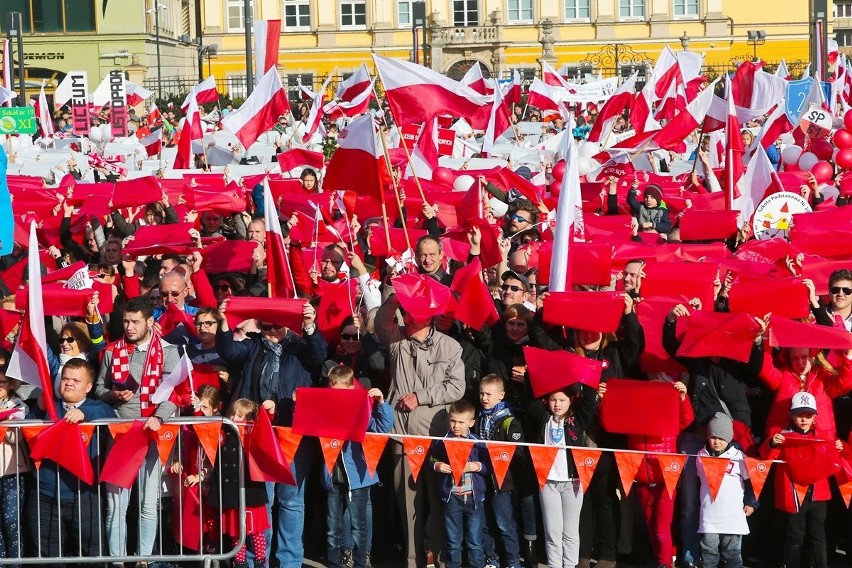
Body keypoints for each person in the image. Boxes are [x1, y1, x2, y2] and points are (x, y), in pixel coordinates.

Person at [215, 299, 326, 568]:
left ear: (286, 325)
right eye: (265, 328)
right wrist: (223, 321)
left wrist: (310, 325)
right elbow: (228, 351)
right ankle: (256, 560)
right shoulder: (253, 346)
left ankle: (289, 561)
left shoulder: (299, 347)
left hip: (292, 432)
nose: (271, 332)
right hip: (258, 434)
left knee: (291, 501)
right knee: (260, 500)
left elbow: (319, 354)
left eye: (276, 327)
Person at [375, 293, 466, 567]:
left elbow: (457, 387)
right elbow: (380, 323)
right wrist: (392, 299)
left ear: (430, 314)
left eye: (418, 310)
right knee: (408, 505)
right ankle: (413, 560)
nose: (411, 315)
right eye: (407, 310)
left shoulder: (450, 347)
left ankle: (439, 560)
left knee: (439, 505)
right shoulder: (397, 341)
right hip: (402, 435)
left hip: (435, 437)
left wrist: (421, 395)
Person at [94, 296, 180, 558]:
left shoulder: (168, 351)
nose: (129, 327)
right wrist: (112, 396)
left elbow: (173, 394)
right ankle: (118, 560)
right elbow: (98, 389)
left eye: (135, 322)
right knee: (116, 505)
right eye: (126, 321)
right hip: (120, 435)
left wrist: (160, 418)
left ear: (150, 322)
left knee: (147, 504)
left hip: (151, 434)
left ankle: (144, 560)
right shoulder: (111, 351)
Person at [28, 359, 116, 559]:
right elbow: (29, 436)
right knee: (47, 557)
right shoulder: (48, 406)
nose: (68, 383)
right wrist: (37, 410)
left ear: (89, 386)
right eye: (65, 378)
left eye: (76, 380)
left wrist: (83, 413)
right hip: (45, 497)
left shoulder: (96, 407)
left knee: (92, 557)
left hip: (85, 497)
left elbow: (109, 414)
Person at [323, 365, 393, 568]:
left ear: (351, 390)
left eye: (342, 393)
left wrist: (381, 404)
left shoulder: (363, 408)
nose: (337, 397)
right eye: (333, 392)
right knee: (332, 527)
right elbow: (305, 426)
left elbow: (382, 427)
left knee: (359, 526)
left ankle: (361, 562)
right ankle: (335, 563)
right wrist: (298, 406)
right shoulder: (325, 408)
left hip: (358, 476)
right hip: (332, 476)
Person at [761, 393, 841, 568]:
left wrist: (838, 448)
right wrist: (772, 443)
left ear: (815, 416)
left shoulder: (824, 437)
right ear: (791, 415)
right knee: (794, 536)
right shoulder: (784, 436)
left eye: (808, 415)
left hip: (818, 495)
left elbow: (836, 461)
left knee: (818, 537)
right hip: (795, 496)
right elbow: (766, 456)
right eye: (799, 415)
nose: (804, 419)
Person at [538, 382, 599, 568]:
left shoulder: (577, 419)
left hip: (573, 481)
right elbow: (530, 401)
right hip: (548, 482)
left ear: (571, 401)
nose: (557, 404)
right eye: (553, 400)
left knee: (570, 531)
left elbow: (589, 402)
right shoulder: (542, 418)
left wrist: (589, 377)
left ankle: (571, 565)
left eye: (562, 400)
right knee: (552, 530)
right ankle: (555, 565)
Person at [213, 398, 274, 568]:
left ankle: (260, 562)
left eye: (239, 416)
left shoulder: (255, 432)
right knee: (237, 533)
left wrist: (270, 410)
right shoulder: (225, 432)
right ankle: (240, 563)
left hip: (252, 490)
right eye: (233, 414)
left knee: (257, 532)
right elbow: (207, 427)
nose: (233, 418)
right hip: (232, 491)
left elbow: (267, 425)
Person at [430, 399, 489, 568]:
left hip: (474, 499)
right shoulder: (441, 441)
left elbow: (491, 465)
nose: (456, 426)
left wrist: (477, 466)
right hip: (452, 498)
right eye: (453, 421)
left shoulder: (477, 442)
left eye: (461, 422)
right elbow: (430, 458)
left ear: (471, 422)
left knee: (475, 542)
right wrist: (437, 465)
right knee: (453, 542)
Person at [695, 413, 757, 568]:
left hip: (732, 516)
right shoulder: (700, 455)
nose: (717, 442)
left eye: (721, 438)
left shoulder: (739, 456)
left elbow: (751, 482)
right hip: (709, 516)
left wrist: (751, 503)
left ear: (729, 438)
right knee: (709, 552)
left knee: (732, 554)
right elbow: (699, 480)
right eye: (713, 437)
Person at [477, 374, 525, 568]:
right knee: (485, 521)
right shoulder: (478, 418)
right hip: (481, 478)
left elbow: (518, 453)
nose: (484, 398)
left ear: (501, 395)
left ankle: (513, 561)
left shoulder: (509, 420)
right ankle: (492, 558)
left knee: (504, 523)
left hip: (502, 481)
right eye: (481, 393)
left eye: (488, 394)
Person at [0, 355, 29, 564]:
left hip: (12, 472)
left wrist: (4, 419)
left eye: (1, 382)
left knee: (12, 522)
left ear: (10, 384)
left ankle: (15, 563)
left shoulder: (18, 405)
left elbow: (17, 437)